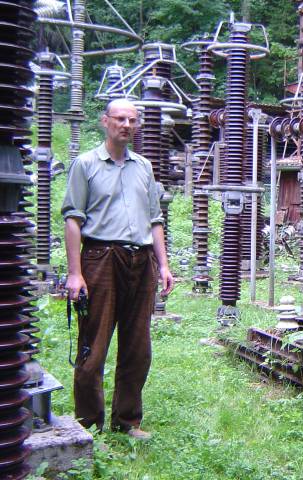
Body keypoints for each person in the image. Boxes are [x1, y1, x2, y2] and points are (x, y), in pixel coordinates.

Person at [62, 98, 174, 440]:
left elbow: (155, 219)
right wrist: (75, 272)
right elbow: (73, 219)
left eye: (132, 120)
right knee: (93, 347)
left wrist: (163, 265)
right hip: (101, 259)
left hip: (141, 261)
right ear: (105, 121)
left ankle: (127, 421)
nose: (127, 125)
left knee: (138, 347)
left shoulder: (144, 167)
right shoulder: (85, 164)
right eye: (120, 118)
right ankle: (88, 425)